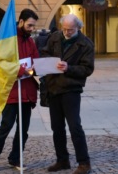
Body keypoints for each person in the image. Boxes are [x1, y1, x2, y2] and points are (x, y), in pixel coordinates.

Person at [0, 8, 40, 173]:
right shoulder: (8, 39)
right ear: (21, 21)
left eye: (34, 26)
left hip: (27, 91)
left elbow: (35, 59)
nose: (32, 29)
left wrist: (40, 67)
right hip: (11, 91)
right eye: (30, 25)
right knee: (6, 126)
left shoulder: (30, 41)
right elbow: (0, 62)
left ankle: (15, 157)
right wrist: (21, 70)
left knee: (23, 129)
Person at [41, 14, 94, 174]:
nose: (67, 32)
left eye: (70, 30)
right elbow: (44, 53)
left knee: (75, 127)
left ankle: (84, 163)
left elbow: (87, 69)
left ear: (78, 27)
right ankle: (62, 160)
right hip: (54, 87)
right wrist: (49, 63)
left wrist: (68, 68)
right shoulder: (55, 37)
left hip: (71, 89)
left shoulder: (85, 44)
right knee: (57, 127)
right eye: (65, 29)